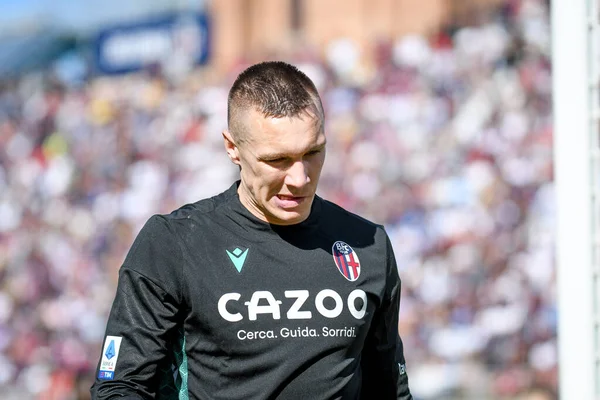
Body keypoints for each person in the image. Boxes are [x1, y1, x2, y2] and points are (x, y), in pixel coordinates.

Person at [90, 61, 412, 400]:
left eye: (313, 152)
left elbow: (390, 389)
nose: (300, 179)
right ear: (233, 148)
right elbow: (119, 387)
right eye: (278, 160)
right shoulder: (174, 243)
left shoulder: (368, 245)